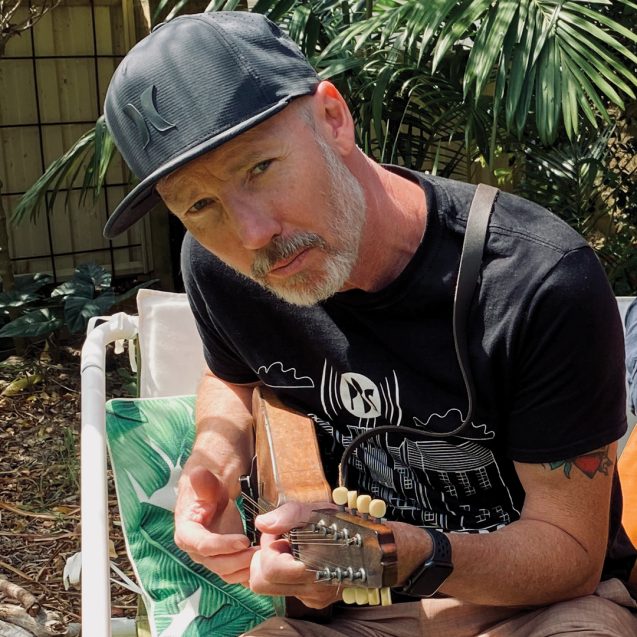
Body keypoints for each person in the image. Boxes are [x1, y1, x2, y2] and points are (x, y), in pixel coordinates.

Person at [102, 11, 637, 636]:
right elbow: (233, 376)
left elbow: (570, 560)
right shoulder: (220, 269)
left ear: (333, 118)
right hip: (345, 619)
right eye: (200, 204)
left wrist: (392, 556)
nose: (252, 234)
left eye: (259, 168)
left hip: (535, 610)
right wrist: (216, 457)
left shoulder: (536, 278)